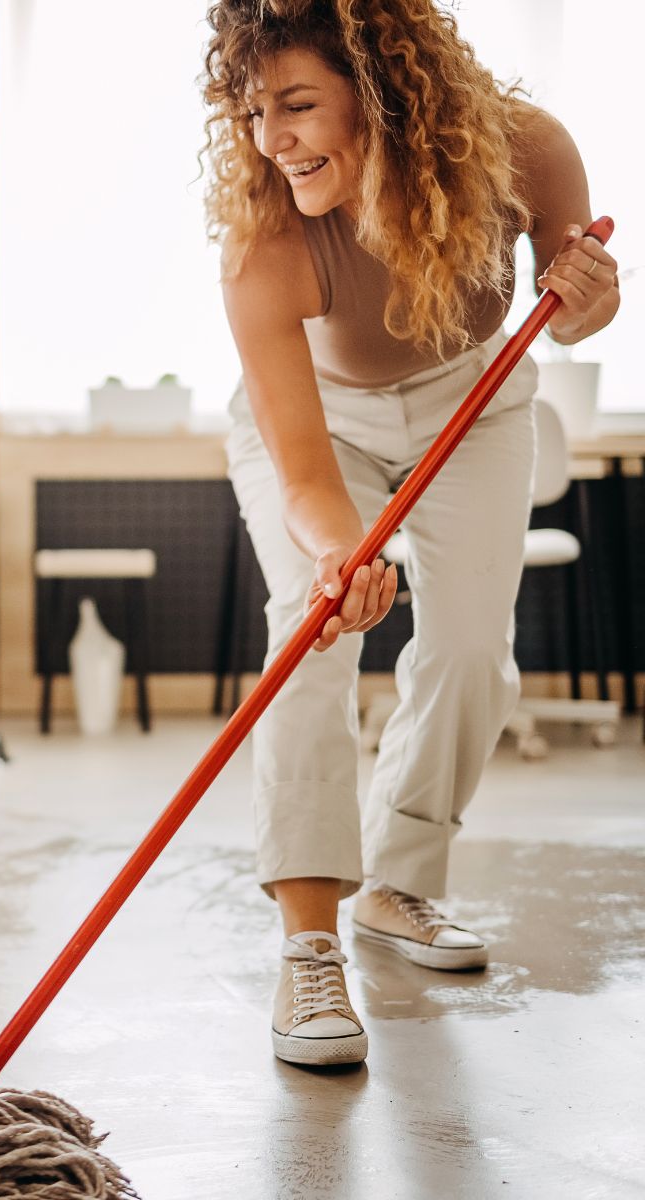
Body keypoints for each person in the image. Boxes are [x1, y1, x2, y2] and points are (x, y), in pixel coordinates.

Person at [202, 0, 619, 1066]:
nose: (270, 139)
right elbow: (301, 469)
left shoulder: (524, 149)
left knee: (476, 651)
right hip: (320, 428)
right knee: (310, 633)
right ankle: (307, 948)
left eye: (297, 105)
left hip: (474, 402)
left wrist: (586, 297)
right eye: (253, 112)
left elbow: (570, 309)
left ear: (383, 88)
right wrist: (343, 553)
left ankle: (400, 885)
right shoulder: (266, 241)